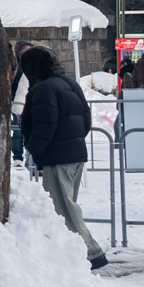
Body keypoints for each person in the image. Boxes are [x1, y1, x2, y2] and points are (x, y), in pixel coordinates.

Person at [15, 46, 107, 270]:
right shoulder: (69, 83)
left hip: (57, 156)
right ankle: (73, 252)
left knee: (65, 208)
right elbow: (86, 118)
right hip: (75, 153)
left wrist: (34, 150)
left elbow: (45, 126)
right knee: (68, 205)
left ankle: (91, 252)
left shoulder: (43, 89)